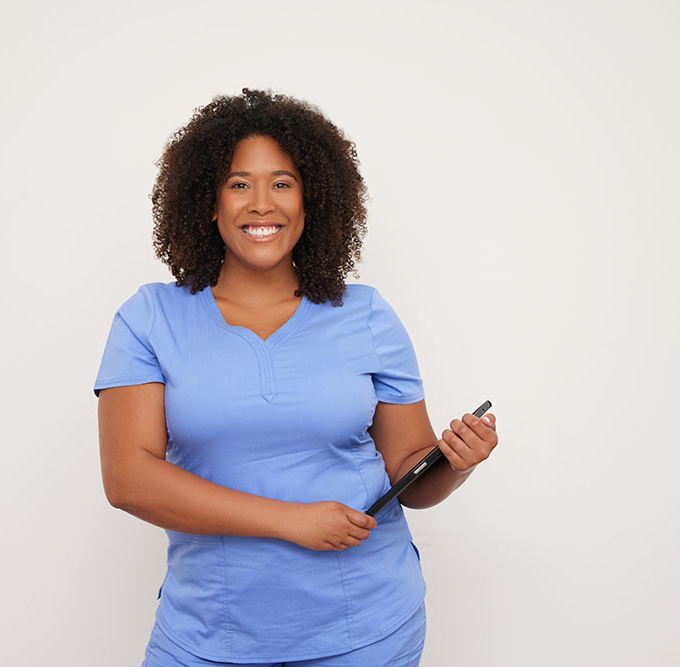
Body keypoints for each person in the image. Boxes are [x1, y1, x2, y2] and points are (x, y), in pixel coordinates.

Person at [94, 88, 499, 667]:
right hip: (211, 634)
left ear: (313, 201)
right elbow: (128, 480)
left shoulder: (367, 315)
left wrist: (453, 462)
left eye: (282, 183)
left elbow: (412, 474)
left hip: (368, 632)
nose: (262, 203)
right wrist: (293, 522)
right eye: (239, 184)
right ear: (208, 201)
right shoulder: (150, 318)